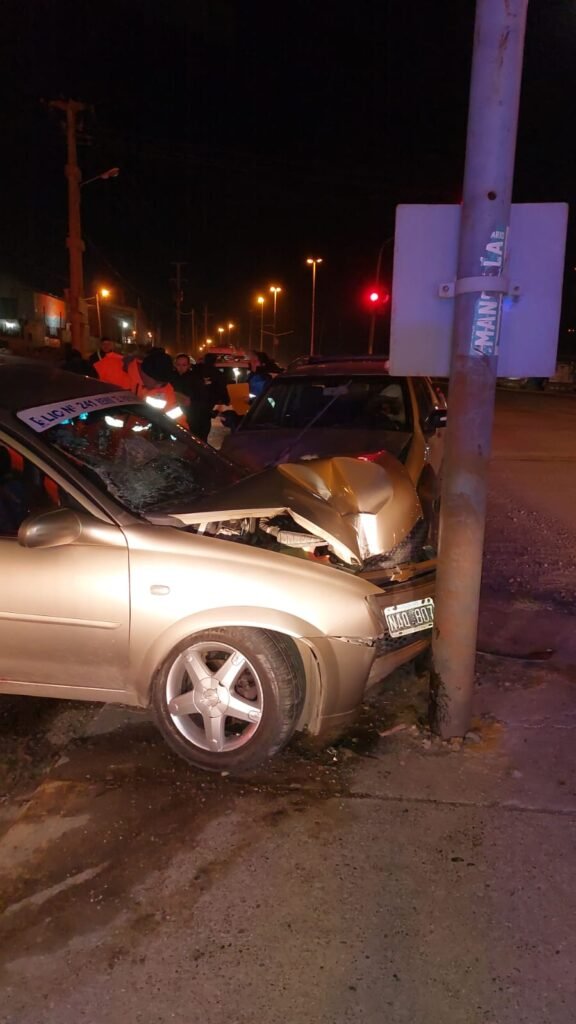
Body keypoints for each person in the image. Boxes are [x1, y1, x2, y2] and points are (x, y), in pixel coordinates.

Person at [173, 353, 213, 441]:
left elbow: (203, 398)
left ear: (189, 365)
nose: (181, 367)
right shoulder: (172, 378)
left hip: (195, 417)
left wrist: (191, 402)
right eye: (178, 365)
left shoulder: (195, 378)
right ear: (175, 365)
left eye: (184, 365)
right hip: (180, 416)